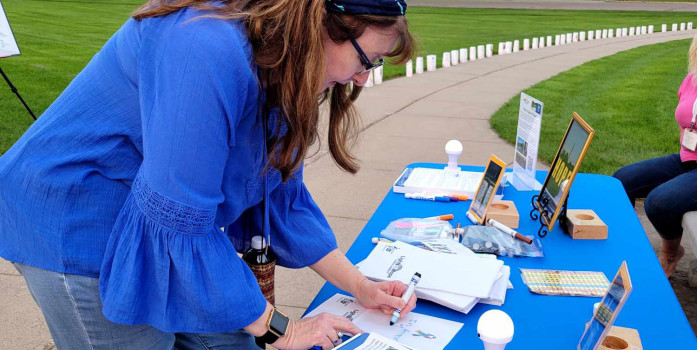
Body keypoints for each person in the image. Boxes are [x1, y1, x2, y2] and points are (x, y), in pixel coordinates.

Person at [0, 0, 416, 349]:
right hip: (77, 218)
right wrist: (283, 330)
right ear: (322, 25)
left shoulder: (285, 61)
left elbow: (282, 201)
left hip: (162, 222)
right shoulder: (204, 44)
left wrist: (361, 287)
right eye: (368, 61)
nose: (362, 79)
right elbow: (179, 219)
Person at [613, 34, 697, 279]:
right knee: (621, 181)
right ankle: (625, 251)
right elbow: (684, 118)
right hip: (687, 160)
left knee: (659, 202)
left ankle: (671, 253)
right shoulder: (692, 79)